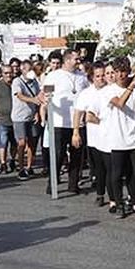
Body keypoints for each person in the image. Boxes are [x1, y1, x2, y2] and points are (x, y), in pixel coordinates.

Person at [100, 58, 135, 220]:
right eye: (118, 72)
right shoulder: (108, 90)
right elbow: (121, 103)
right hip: (117, 139)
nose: (121, 75)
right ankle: (119, 205)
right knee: (117, 174)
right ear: (114, 74)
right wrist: (133, 83)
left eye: (124, 71)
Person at [43, 50, 84, 193]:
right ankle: (53, 181)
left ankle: (73, 184)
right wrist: (46, 99)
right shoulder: (54, 76)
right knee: (58, 154)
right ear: (67, 60)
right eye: (76, 59)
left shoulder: (81, 77)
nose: (79, 61)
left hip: (77, 122)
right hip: (59, 122)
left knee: (76, 155)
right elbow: (45, 94)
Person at [76, 62, 109, 204]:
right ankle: (100, 194)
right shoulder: (86, 94)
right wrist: (75, 132)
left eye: (103, 75)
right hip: (95, 138)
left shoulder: (111, 90)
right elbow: (78, 113)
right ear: (92, 78)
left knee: (113, 169)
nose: (101, 79)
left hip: (112, 136)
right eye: (98, 76)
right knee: (99, 168)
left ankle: (115, 198)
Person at [10, 62, 44, 180]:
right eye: (28, 69)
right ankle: (21, 168)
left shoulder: (34, 82)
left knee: (32, 142)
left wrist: (38, 111)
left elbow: (39, 94)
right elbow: (19, 95)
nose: (30, 72)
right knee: (22, 142)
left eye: (31, 69)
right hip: (20, 117)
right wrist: (33, 100)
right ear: (22, 69)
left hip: (32, 116)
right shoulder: (17, 82)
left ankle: (29, 166)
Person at [0, 62, 16, 173]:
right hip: (2, 119)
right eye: (6, 73)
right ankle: (3, 163)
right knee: (3, 143)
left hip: (15, 119)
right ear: (2, 74)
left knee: (14, 143)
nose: (8, 75)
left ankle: (13, 160)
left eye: (10, 73)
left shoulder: (16, 83)